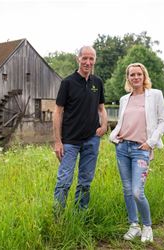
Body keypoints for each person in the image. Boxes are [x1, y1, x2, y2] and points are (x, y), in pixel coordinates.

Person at [109, 63, 164, 242]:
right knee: (127, 190)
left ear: (144, 76)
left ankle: (147, 227)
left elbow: (163, 121)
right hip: (122, 148)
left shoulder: (155, 95)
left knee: (137, 192)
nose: (135, 77)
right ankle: (133, 225)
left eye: (138, 74)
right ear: (128, 78)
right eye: (132, 75)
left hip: (141, 150)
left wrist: (151, 143)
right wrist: (113, 136)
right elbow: (121, 123)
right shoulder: (123, 99)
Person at [53, 46, 107, 211]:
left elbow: (101, 108)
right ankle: (58, 217)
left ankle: (80, 215)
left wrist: (104, 125)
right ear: (78, 59)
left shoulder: (97, 83)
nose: (88, 62)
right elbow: (57, 112)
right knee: (64, 181)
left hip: (91, 140)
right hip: (70, 141)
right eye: (85, 58)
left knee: (85, 181)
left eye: (91, 59)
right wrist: (57, 141)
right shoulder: (67, 82)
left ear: (94, 61)